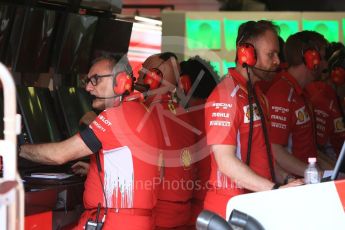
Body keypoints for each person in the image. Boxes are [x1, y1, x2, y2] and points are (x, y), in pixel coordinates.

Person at [19, 55, 161, 230]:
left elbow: (59, 155)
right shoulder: (142, 110)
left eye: (95, 80)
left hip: (115, 222)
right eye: (87, 81)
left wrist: (15, 148)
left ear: (120, 81)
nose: (88, 87)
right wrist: (95, 171)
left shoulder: (117, 116)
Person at [204, 20, 302, 218]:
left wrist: (289, 179)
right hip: (228, 209)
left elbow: (265, 158)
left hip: (254, 203)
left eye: (277, 54)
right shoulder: (225, 96)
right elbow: (225, 161)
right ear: (246, 54)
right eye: (271, 54)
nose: (277, 61)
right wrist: (274, 189)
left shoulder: (259, 96)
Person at [137, 52, 196, 229]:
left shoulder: (144, 111)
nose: (138, 76)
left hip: (159, 215)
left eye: (143, 71)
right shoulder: (183, 112)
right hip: (184, 213)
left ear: (153, 77)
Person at [266, 31, 333, 178]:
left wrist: (335, 172)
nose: (325, 64)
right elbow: (275, 150)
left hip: (306, 183)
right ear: (311, 58)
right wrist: (314, 174)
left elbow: (310, 151)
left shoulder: (301, 93)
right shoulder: (282, 94)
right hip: (294, 188)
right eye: (322, 57)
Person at [179, 56, 220, 226]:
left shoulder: (184, 120)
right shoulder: (218, 112)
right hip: (217, 205)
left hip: (193, 211)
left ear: (185, 84)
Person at [304, 45, 345, 159]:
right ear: (339, 75)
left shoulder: (338, 97)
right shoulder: (322, 101)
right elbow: (317, 151)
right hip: (333, 168)